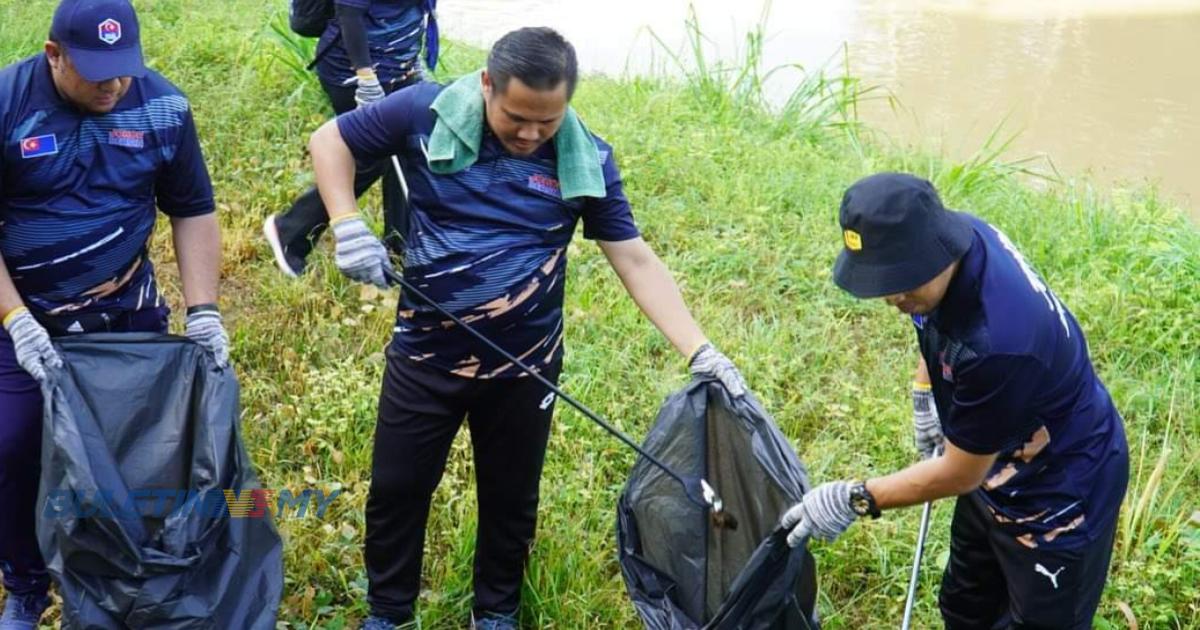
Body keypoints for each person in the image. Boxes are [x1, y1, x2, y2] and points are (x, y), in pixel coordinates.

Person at [307, 27, 748, 630]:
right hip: (424, 355)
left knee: (511, 500)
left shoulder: (585, 158)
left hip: (527, 365)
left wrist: (701, 351)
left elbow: (635, 258)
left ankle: (496, 613)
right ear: (486, 85)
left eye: (548, 120)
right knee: (396, 489)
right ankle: (388, 613)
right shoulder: (422, 112)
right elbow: (330, 139)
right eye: (516, 117)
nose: (531, 134)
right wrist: (346, 222)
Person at [781, 173, 1129, 628]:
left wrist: (856, 498)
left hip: (1060, 490)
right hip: (995, 464)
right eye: (883, 280)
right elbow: (936, 325)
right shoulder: (952, 246)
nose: (893, 297)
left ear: (934, 251)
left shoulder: (1000, 342)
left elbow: (959, 473)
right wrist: (926, 391)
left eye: (902, 282)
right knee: (966, 607)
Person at [0, 1, 227, 627]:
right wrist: (16, 318)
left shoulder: (162, 106)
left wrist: (203, 309)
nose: (114, 85)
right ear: (53, 55)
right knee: (13, 445)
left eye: (123, 69)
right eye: (97, 73)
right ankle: (25, 583)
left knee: (136, 449)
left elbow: (193, 209)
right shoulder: (6, 104)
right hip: (25, 315)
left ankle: (120, 579)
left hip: (125, 312)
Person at [263, 0, 438, 277]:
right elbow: (349, 14)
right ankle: (289, 231)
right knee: (371, 159)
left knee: (408, 148)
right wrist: (366, 80)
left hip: (400, 68)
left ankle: (399, 246)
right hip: (354, 71)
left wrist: (414, 59)